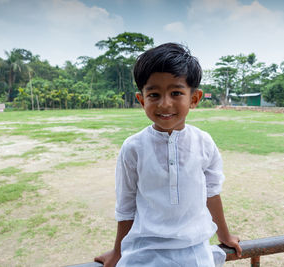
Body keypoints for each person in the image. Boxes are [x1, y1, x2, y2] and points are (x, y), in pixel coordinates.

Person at [95, 43, 242, 267]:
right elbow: (126, 205)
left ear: (194, 98)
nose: (165, 103)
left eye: (176, 93)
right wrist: (118, 251)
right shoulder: (133, 147)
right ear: (142, 99)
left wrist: (225, 236)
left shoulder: (204, 143)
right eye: (154, 94)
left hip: (196, 252)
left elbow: (211, 193)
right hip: (143, 252)